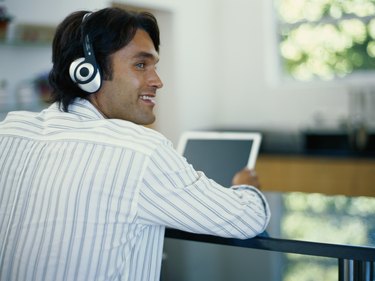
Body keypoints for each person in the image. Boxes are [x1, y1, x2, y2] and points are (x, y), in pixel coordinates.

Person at [0, 7, 270, 281]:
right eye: (141, 65)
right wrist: (244, 187)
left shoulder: (9, 131)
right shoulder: (139, 151)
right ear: (87, 71)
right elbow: (246, 219)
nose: (158, 81)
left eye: (155, 66)